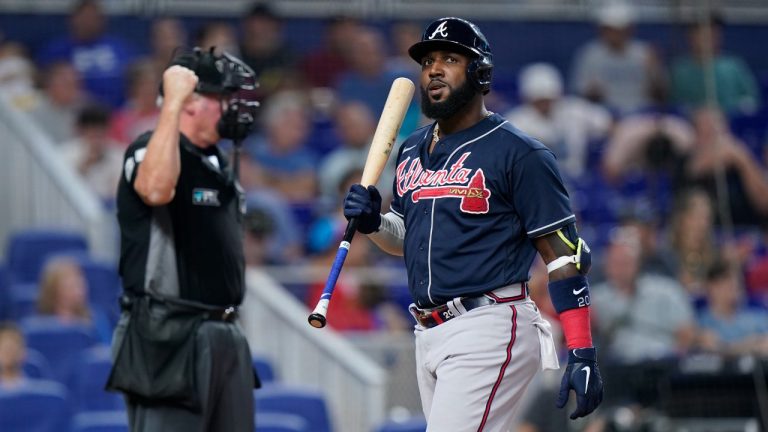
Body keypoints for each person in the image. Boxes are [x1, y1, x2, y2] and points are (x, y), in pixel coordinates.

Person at [342, 17, 603, 430]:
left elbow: (563, 257)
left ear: (481, 73)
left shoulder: (520, 153)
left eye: (450, 58)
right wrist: (375, 223)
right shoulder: (411, 148)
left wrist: (582, 350)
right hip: (428, 331)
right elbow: (408, 238)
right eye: (428, 60)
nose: (434, 69)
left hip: (490, 323)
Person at [106, 46, 260, 431]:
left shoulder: (216, 162)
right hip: (168, 335)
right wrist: (171, 102)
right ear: (190, 102)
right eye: (223, 97)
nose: (233, 107)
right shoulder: (148, 148)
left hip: (225, 330)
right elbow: (156, 190)